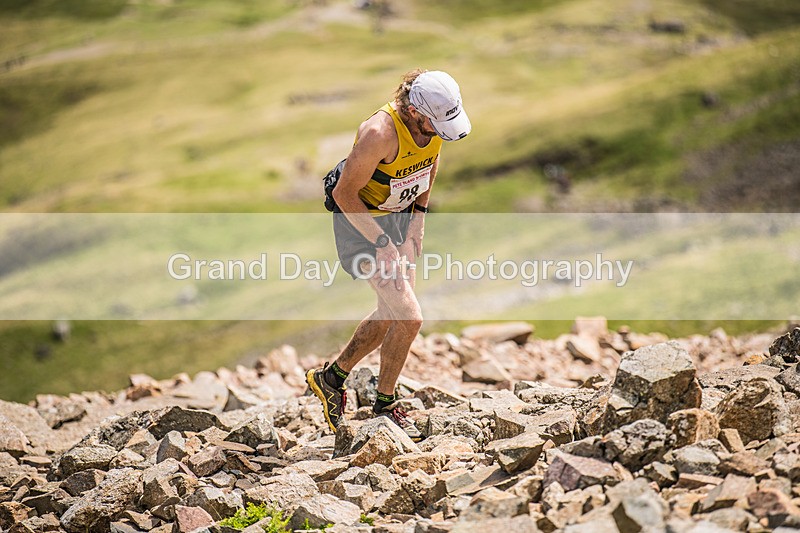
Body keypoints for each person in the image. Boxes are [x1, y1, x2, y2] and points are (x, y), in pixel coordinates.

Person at [306, 69, 471, 441]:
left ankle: (331, 379)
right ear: (414, 110)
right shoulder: (378, 134)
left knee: (391, 314)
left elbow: (430, 163)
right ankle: (385, 405)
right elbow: (343, 196)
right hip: (360, 226)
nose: (440, 132)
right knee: (410, 318)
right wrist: (382, 245)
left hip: (399, 219)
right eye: (435, 124)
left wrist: (418, 221)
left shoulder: (431, 125)